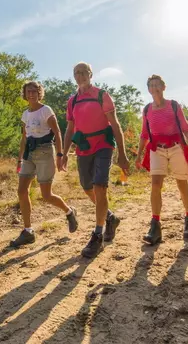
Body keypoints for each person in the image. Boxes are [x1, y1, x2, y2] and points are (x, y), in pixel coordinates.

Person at [62, 62, 130, 258]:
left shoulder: (102, 95)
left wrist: (122, 155)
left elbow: (115, 124)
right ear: (74, 76)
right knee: (87, 187)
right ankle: (110, 218)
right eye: (77, 73)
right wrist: (63, 153)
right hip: (83, 148)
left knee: (100, 186)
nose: (81, 75)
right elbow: (69, 129)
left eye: (84, 72)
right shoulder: (72, 101)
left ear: (91, 74)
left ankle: (97, 235)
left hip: (103, 145)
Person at [135, 75, 188, 245]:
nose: (154, 87)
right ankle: (155, 226)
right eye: (151, 85)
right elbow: (144, 134)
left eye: (157, 84)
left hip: (176, 147)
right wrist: (139, 154)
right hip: (157, 149)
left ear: (164, 87)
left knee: (182, 185)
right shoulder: (147, 109)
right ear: (148, 89)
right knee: (155, 185)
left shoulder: (173, 105)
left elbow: (186, 129)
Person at [11, 81, 78, 247]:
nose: (32, 94)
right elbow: (24, 138)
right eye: (29, 91)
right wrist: (20, 159)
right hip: (29, 154)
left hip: (45, 152)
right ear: (25, 94)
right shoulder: (25, 114)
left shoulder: (46, 110)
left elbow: (57, 132)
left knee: (46, 195)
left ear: (39, 93)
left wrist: (60, 154)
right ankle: (28, 231)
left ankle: (69, 212)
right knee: (21, 191)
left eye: (35, 91)